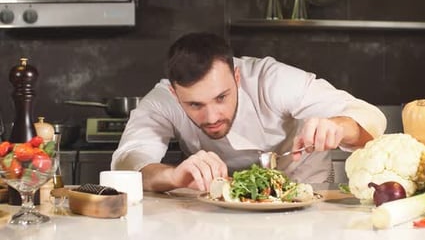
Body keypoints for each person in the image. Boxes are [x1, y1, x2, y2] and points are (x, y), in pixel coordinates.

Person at [111, 32, 387, 192]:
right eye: (195, 105)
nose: (212, 117)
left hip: (303, 187)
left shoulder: (273, 79)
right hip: (215, 196)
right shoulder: (162, 100)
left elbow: (370, 116)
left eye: (221, 97)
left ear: (238, 77)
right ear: (175, 94)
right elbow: (127, 163)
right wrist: (174, 176)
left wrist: (339, 126)